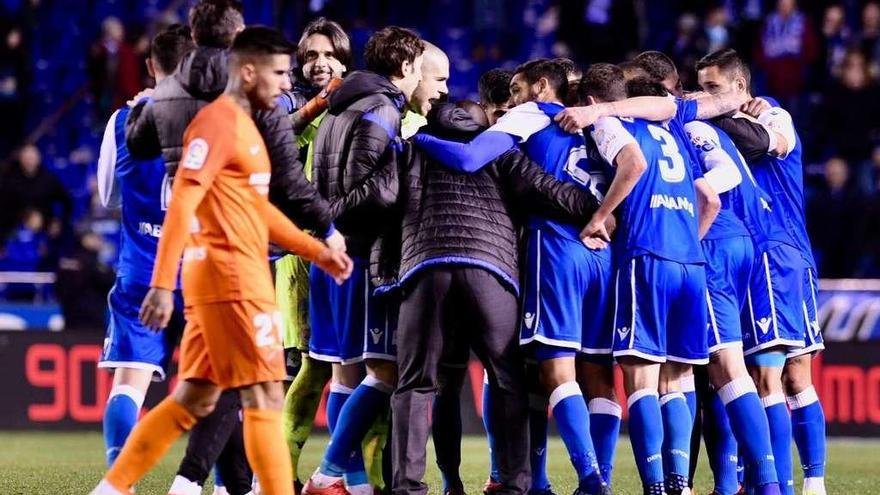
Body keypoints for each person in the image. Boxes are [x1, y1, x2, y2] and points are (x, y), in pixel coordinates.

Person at [89, 26, 353, 495]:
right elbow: (186, 201)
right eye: (279, 72)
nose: (288, 83)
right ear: (248, 72)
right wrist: (159, 286)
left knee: (194, 397)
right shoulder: (218, 124)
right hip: (232, 282)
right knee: (264, 396)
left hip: (229, 278)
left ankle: (115, 488)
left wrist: (317, 249)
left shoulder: (247, 125)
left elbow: (254, 210)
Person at [698, 48, 827, 495]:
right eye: (701, 90)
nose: (705, 98)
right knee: (770, 373)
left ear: (739, 86)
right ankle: (784, 485)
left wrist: (710, 114)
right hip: (754, 256)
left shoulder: (775, 115)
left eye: (713, 89)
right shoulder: (719, 127)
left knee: (784, 376)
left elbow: (761, 144)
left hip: (779, 253)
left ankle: (803, 484)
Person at [302, 26, 424, 495]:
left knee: (344, 372)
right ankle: (331, 471)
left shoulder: (339, 107)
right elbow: (364, 184)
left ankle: (351, 479)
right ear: (407, 67)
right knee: (377, 372)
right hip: (355, 255)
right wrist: (398, 169)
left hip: (329, 254)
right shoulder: (380, 106)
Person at [95, 23, 194, 473]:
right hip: (197, 271)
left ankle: (120, 476)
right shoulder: (211, 117)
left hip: (141, 270)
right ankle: (209, 480)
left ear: (151, 67)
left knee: (129, 383)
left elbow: (105, 195)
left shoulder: (122, 120)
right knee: (210, 385)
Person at [273, 17, 353, 492]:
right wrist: (319, 104)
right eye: (310, 57)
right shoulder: (293, 102)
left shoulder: (360, 105)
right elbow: (274, 133)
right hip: (302, 253)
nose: (319, 64)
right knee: (309, 364)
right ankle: (279, 471)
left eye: (328, 55)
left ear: (344, 58)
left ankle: (346, 475)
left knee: (351, 364)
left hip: (350, 252)